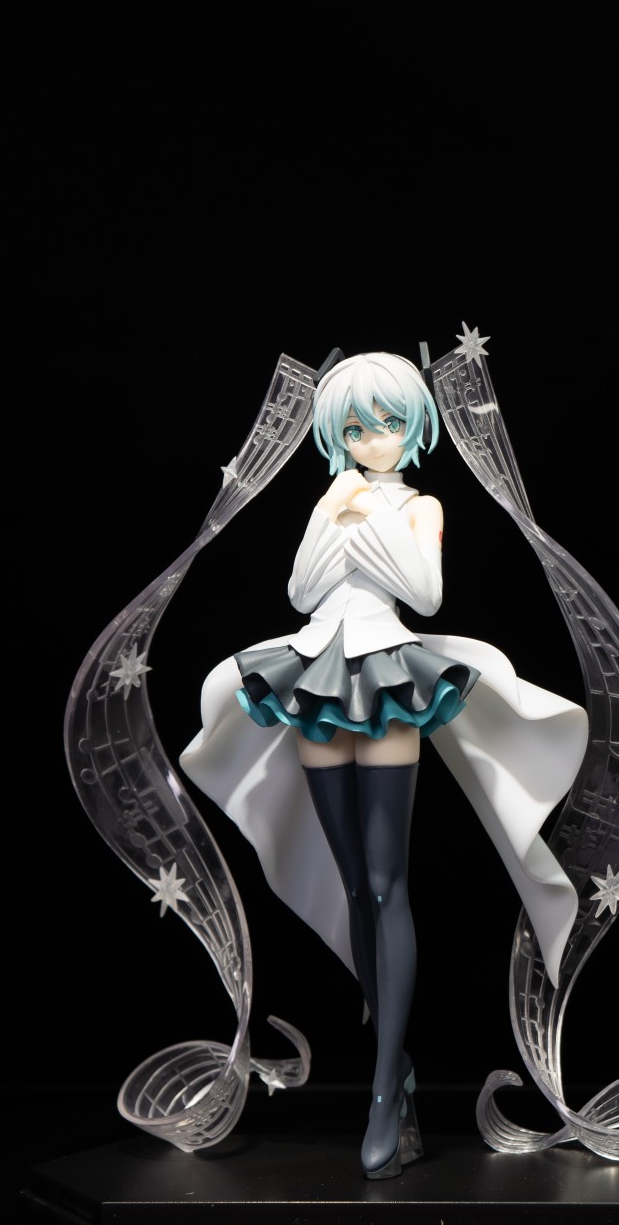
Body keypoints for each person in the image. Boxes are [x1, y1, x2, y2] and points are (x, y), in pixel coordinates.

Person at [179, 353, 588, 1178]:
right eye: (358, 427)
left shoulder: (421, 504)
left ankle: (380, 1093)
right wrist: (336, 512)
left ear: (415, 427)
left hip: (391, 673)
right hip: (314, 671)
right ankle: (393, 1070)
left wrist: (367, 520)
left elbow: (425, 595)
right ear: (337, 433)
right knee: (353, 884)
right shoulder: (330, 497)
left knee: (384, 880)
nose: (374, 439)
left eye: (391, 423)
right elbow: (301, 593)